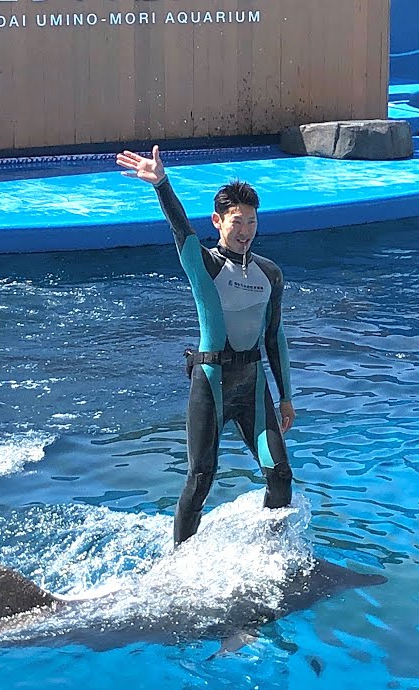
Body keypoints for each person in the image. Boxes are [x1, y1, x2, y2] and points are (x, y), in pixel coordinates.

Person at [116, 145, 295, 544]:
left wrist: (285, 397)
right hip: (211, 381)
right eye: (237, 221)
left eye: (251, 221)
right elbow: (181, 228)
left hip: (253, 386)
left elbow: (273, 336)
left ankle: (273, 550)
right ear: (218, 221)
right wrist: (161, 184)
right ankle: (177, 560)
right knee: (200, 479)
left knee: (280, 475)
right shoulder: (204, 264)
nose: (245, 230)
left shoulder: (271, 273)